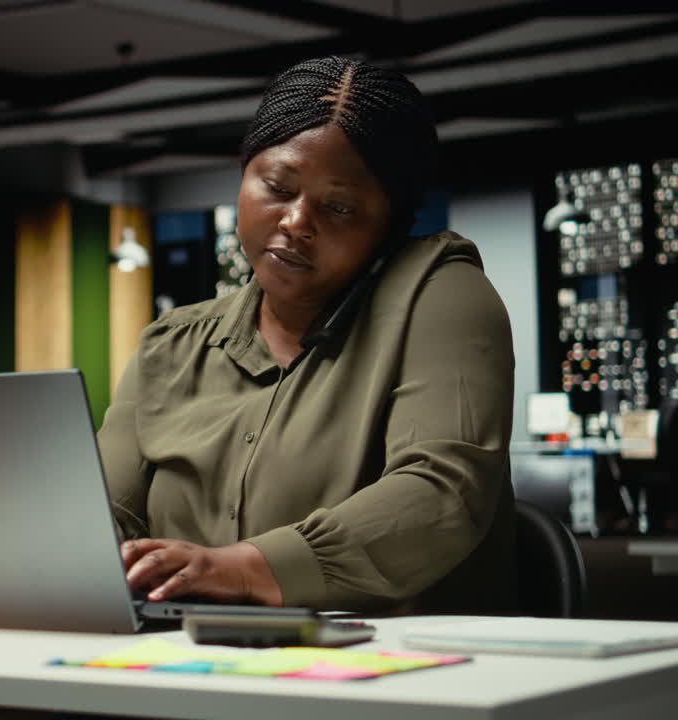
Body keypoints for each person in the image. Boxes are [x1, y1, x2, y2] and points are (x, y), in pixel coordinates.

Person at [97, 56, 515, 615]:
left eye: (338, 207)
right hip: (184, 668)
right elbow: (100, 514)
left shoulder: (437, 294)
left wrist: (243, 569)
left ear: (390, 221)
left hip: (389, 675)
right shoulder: (171, 346)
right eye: (277, 186)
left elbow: (443, 491)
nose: (296, 222)